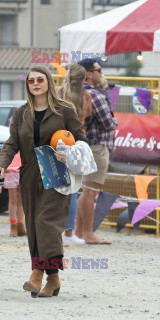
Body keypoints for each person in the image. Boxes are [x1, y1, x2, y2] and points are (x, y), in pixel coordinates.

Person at [0, 65, 87, 298]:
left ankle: (37, 272)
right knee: (35, 227)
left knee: (47, 222)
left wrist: (70, 152)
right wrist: (2, 164)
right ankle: (53, 279)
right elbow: (11, 143)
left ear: (48, 82)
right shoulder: (21, 113)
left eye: (40, 79)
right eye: (31, 81)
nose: (35, 84)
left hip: (57, 173)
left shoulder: (64, 110)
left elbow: (81, 140)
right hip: (29, 176)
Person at [75, 58, 118, 245]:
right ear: (90, 74)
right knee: (90, 191)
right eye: (99, 70)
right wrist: (115, 120)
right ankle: (88, 233)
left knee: (85, 191)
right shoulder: (97, 96)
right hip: (97, 147)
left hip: (85, 145)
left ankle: (78, 232)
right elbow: (109, 125)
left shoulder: (77, 92)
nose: (102, 73)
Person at [56, 63, 92, 246]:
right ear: (84, 79)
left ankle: (53, 231)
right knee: (73, 190)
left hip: (57, 141)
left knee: (53, 189)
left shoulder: (58, 92)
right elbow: (87, 116)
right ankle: (69, 232)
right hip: (76, 143)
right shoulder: (86, 97)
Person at [3, 152, 26, 237]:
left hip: (23, 170)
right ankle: (13, 226)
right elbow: (6, 154)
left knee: (21, 201)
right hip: (11, 171)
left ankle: (20, 225)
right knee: (13, 200)